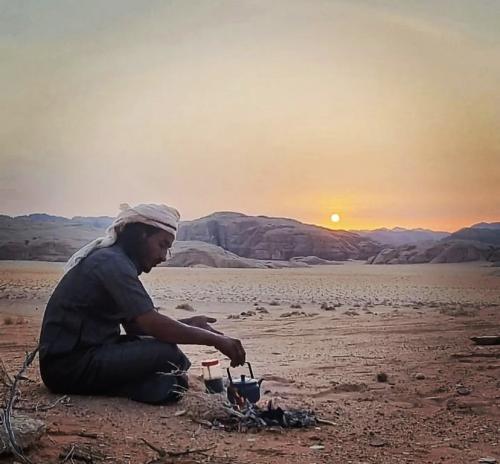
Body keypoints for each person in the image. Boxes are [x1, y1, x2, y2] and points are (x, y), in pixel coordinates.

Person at [39, 203, 246, 404]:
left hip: (82, 358)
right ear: (141, 235)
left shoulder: (116, 261)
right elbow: (151, 323)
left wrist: (190, 323)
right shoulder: (111, 263)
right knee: (168, 354)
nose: (163, 256)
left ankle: (139, 386)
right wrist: (216, 340)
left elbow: (136, 327)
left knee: (169, 379)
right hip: (68, 367)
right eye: (162, 245)